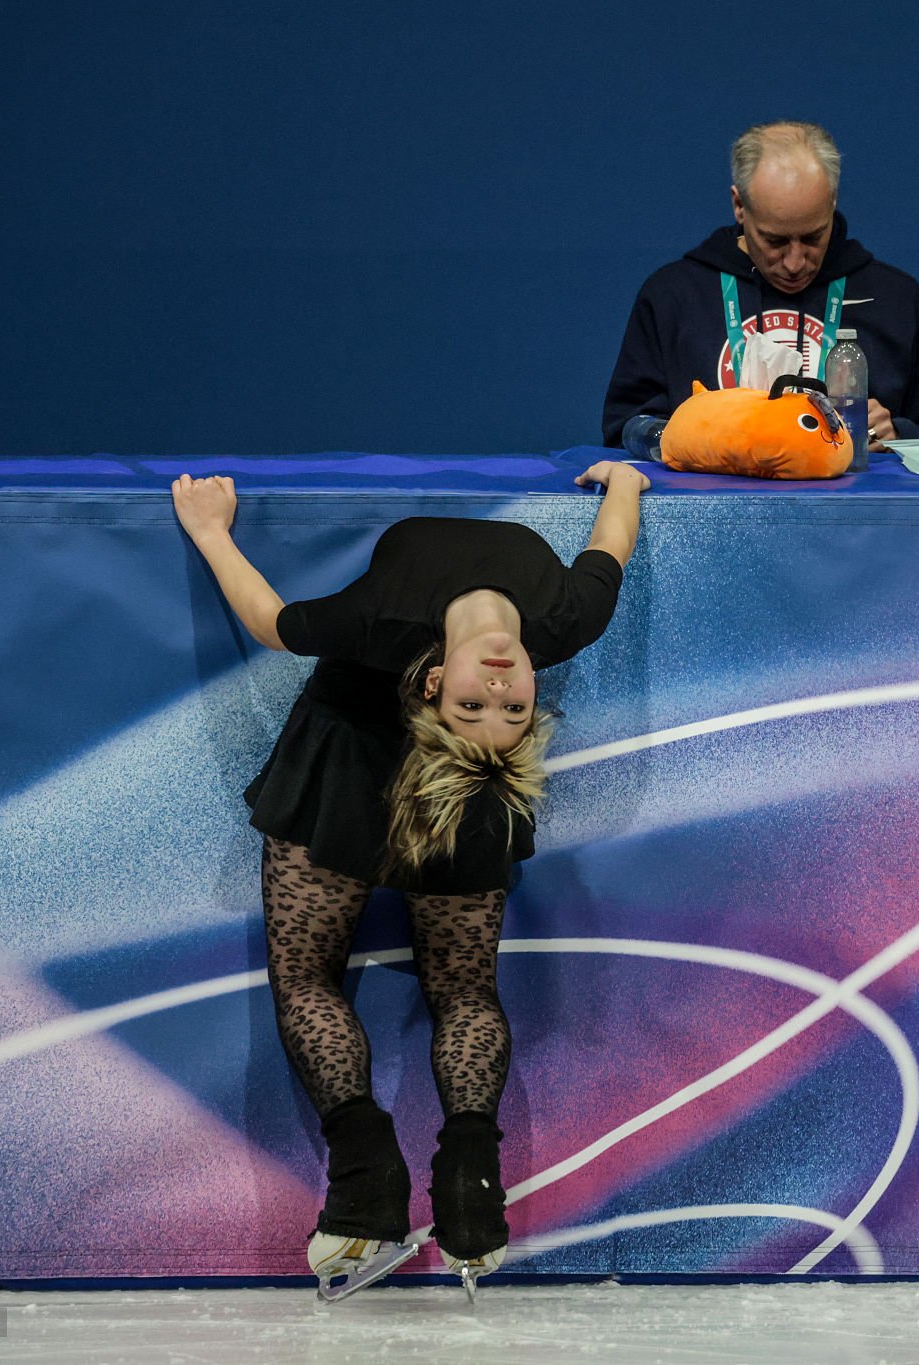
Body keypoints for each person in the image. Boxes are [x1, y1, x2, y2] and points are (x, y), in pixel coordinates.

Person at [170, 460, 648, 1299]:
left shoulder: (399, 630)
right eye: (498, 706)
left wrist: (210, 530)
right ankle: (379, 1180)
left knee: (412, 983)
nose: (500, 695)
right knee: (377, 980)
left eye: (492, 709)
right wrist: (625, 482)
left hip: (449, 786)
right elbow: (610, 545)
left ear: (439, 685)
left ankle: (456, 1179)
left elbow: (277, 624)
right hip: (360, 756)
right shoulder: (557, 621)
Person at [603, 120, 919, 455]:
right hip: (716, 520)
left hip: (857, 523)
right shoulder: (673, 295)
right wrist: (693, 434)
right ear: (739, 206)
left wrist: (898, 435)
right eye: (775, 241)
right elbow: (624, 430)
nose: (795, 263)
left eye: (812, 237)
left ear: (833, 202)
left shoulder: (896, 297)